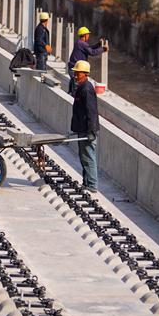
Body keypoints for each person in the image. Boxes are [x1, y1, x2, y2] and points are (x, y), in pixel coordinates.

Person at [70, 60, 100, 192]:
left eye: (78, 73)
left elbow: (91, 111)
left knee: (88, 156)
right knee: (84, 157)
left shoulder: (87, 89)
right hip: (82, 128)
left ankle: (92, 185)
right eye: (75, 72)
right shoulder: (81, 87)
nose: (75, 75)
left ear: (85, 74)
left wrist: (91, 131)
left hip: (87, 130)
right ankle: (87, 183)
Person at [67, 26, 107, 93]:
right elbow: (92, 52)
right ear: (85, 35)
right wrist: (103, 49)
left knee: (74, 84)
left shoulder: (79, 43)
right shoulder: (82, 44)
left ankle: (71, 92)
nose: (89, 36)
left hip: (72, 68)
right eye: (88, 34)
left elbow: (89, 48)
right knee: (77, 88)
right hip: (76, 70)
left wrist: (98, 45)